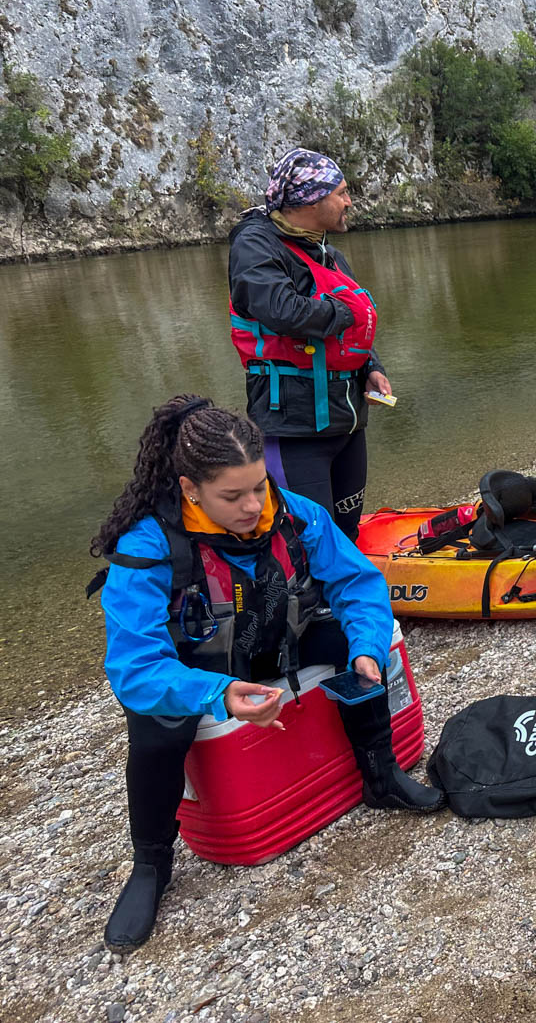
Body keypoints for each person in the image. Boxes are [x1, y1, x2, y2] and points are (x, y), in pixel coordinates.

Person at [89, 394, 443, 955]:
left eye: (259, 486)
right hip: (203, 667)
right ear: (189, 489)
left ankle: (381, 776)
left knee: (357, 643)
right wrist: (218, 693)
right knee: (156, 717)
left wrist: (369, 646)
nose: (254, 506)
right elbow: (134, 669)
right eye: (233, 496)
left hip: (277, 639)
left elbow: (359, 584)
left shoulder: (296, 511)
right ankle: (151, 863)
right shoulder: (148, 548)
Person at [227, 147, 390, 541]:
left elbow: (347, 335)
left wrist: (372, 367)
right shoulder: (254, 247)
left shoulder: (329, 254)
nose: (349, 201)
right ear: (311, 200)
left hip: (346, 422)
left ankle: (341, 598)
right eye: (341, 193)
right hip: (293, 427)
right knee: (308, 536)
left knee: (346, 528)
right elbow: (281, 311)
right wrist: (348, 312)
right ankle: (305, 601)